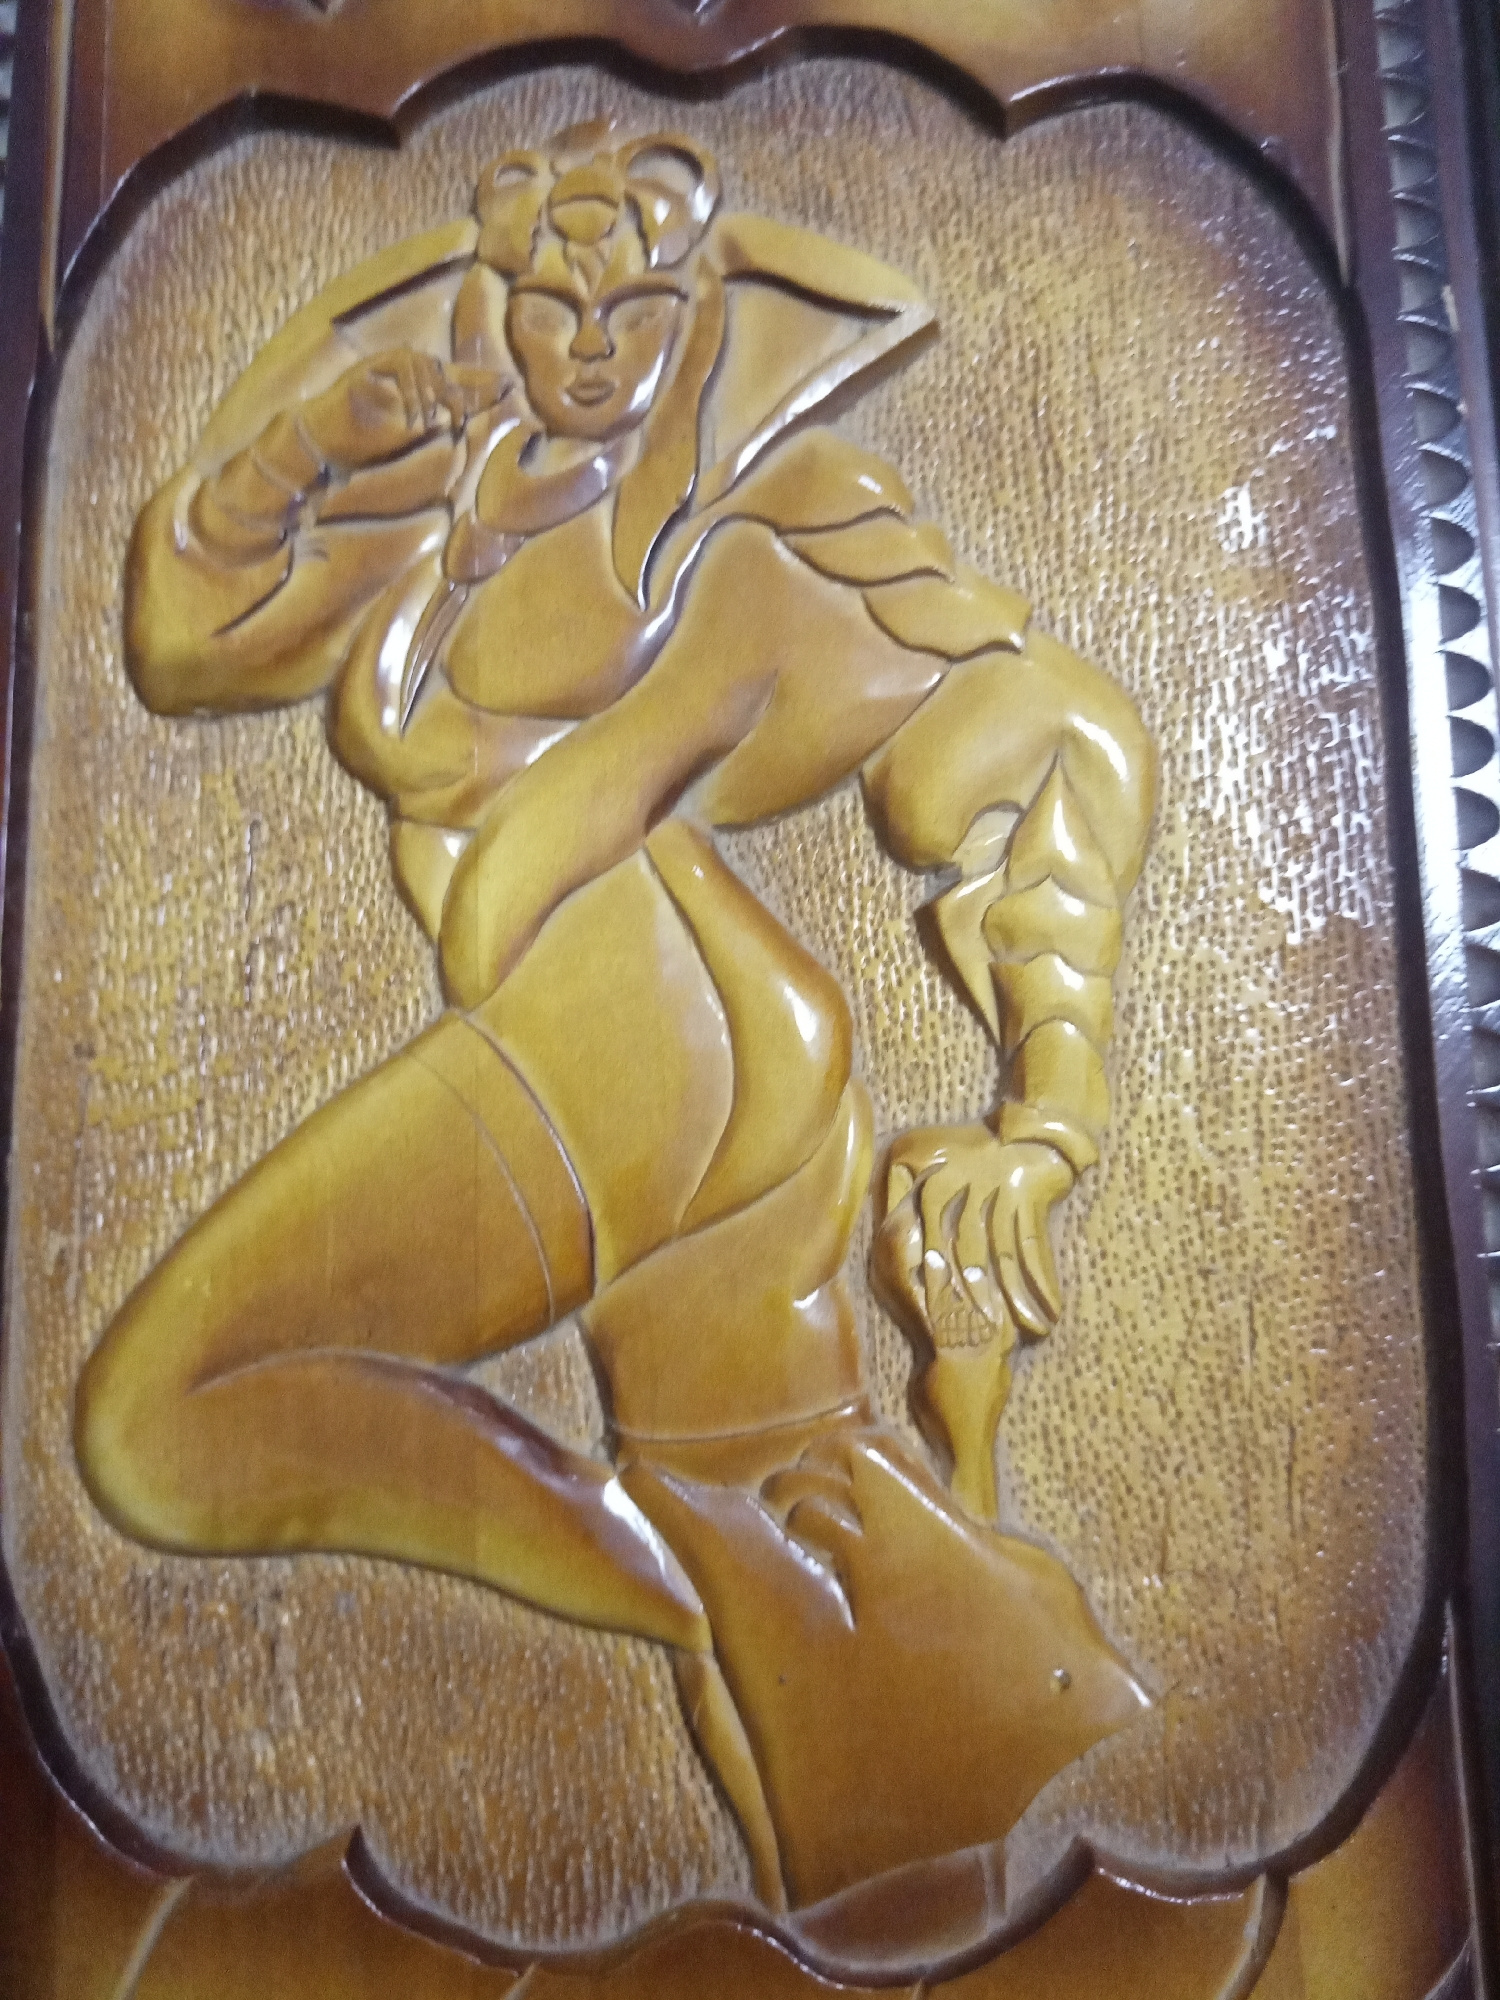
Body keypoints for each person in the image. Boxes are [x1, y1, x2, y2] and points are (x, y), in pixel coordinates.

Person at [74, 122, 1158, 1967]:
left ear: (696, 317)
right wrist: (303, 444)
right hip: (691, 1075)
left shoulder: (754, 525)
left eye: (638, 307)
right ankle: (932, 1770)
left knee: (161, 1420)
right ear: (495, 306)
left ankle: (711, 1613)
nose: (590, 344)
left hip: (649, 1040)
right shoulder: (442, 510)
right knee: (784, 1563)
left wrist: (1047, 1113)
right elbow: (182, 643)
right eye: (552, 303)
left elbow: (1054, 724)